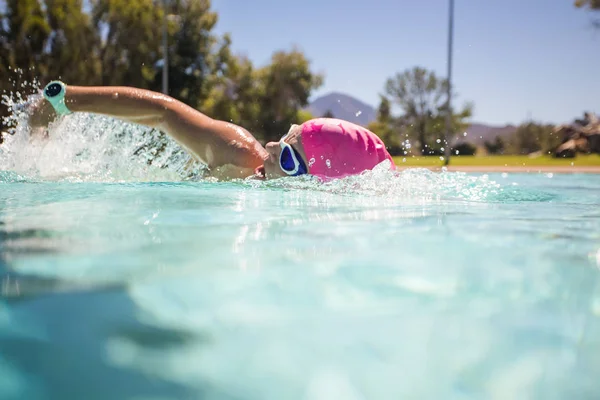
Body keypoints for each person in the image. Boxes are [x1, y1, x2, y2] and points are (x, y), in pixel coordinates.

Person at [26, 80, 394, 180]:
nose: (268, 146)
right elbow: (162, 111)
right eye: (284, 136)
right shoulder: (240, 155)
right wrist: (64, 100)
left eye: (285, 155)